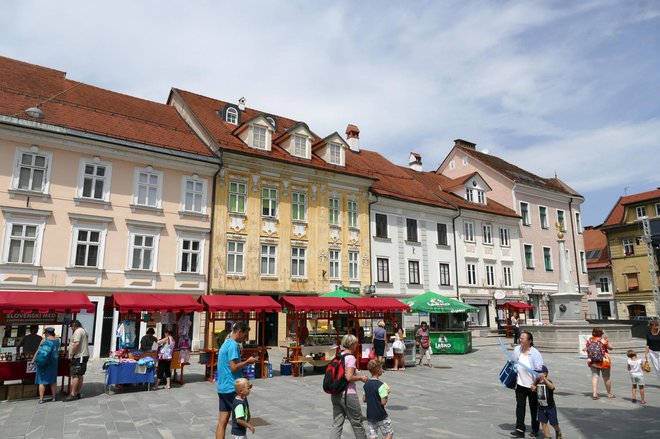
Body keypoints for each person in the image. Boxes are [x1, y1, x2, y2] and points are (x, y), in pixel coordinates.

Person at [215, 322, 256, 439]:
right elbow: (233, 367)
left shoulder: (225, 343)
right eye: (245, 335)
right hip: (232, 388)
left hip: (222, 388)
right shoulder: (233, 345)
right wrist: (247, 362)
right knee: (244, 417)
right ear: (239, 332)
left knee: (222, 422)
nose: (245, 339)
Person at [330, 334, 368, 439]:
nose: (357, 345)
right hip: (348, 394)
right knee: (357, 423)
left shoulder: (338, 355)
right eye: (355, 343)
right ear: (351, 345)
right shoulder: (351, 358)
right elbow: (349, 377)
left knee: (337, 423)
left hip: (336, 393)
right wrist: (361, 378)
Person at [510, 331, 544, 438]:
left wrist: (535, 384)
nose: (520, 340)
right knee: (520, 406)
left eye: (523, 338)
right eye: (520, 338)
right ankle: (520, 429)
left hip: (532, 385)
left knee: (534, 407)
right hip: (520, 384)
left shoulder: (535, 353)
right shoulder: (517, 350)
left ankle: (535, 429)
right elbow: (511, 362)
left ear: (529, 341)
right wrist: (513, 360)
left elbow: (540, 371)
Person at [362, 360, 394, 439]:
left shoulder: (366, 384)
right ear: (377, 370)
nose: (382, 370)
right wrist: (386, 394)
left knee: (373, 435)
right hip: (381, 414)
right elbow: (383, 402)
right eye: (381, 368)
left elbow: (364, 399)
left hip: (370, 414)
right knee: (389, 433)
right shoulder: (381, 385)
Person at [530, 365, 562, 439]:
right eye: (536, 373)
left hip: (550, 406)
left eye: (539, 373)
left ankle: (558, 431)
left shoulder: (548, 382)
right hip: (541, 406)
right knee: (543, 423)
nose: (537, 374)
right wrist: (533, 387)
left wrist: (545, 380)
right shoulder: (537, 381)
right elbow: (535, 389)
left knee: (554, 423)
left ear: (545, 374)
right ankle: (547, 436)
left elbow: (552, 387)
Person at [586, 327, 614, 400]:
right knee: (606, 377)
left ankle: (595, 394)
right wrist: (606, 340)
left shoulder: (590, 340)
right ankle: (609, 393)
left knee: (595, 377)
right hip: (604, 361)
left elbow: (587, 349)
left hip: (593, 361)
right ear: (601, 333)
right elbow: (611, 348)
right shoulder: (603, 340)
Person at [64, 320, 89, 402]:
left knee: (75, 375)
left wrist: (71, 354)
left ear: (74, 325)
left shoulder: (78, 331)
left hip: (79, 356)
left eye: (71, 327)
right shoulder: (84, 330)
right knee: (80, 375)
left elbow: (77, 343)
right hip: (83, 355)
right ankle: (77, 392)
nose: (71, 328)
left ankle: (73, 394)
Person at [33, 327, 60, 404]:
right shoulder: (57, 340)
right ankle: (54, 398)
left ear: (47, 333)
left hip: (43, 363)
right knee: (53, 381)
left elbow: (38, 350)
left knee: (42, 381)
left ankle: (41, 399)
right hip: (53, 363)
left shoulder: (44, 340)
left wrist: (34, 360)